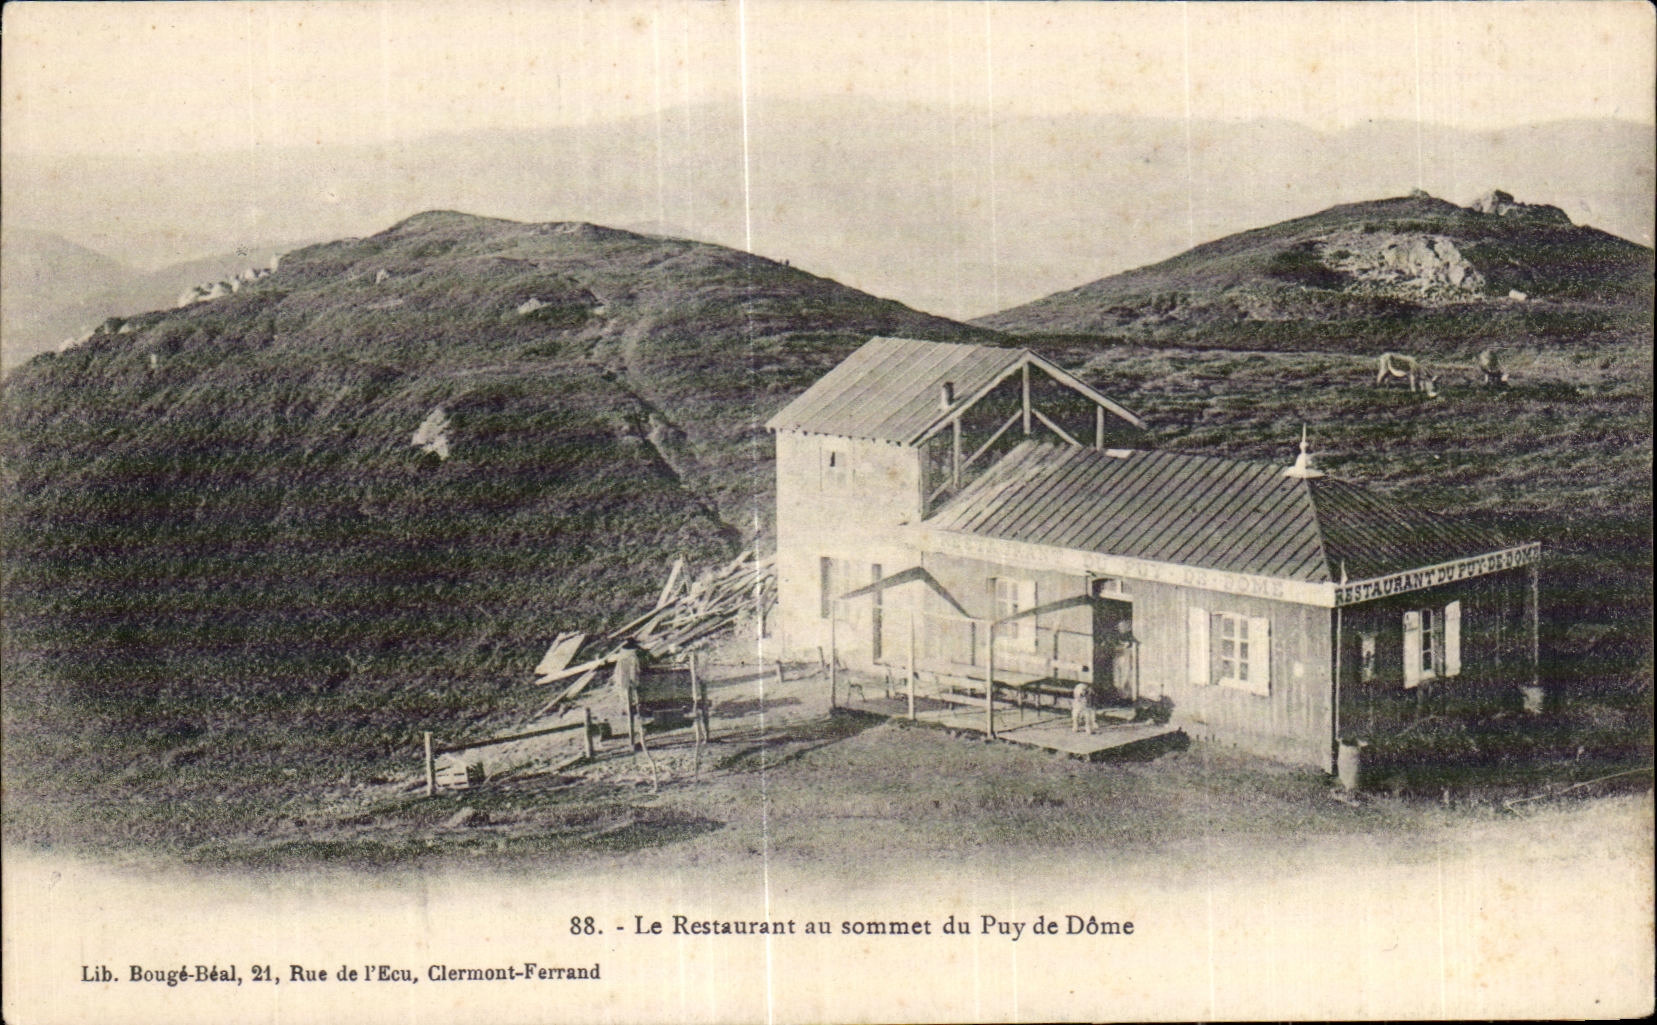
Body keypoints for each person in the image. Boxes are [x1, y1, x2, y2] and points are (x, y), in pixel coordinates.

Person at [613, 641, 644, 749]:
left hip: (623, 687)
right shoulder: (632, 657)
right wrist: (635, 684)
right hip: (631, 687)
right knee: (636, 713)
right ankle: (638, 740)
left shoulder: (621, 657)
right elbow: (634, 673)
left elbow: (617, 675)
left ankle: (633, 740)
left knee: (630, 714)